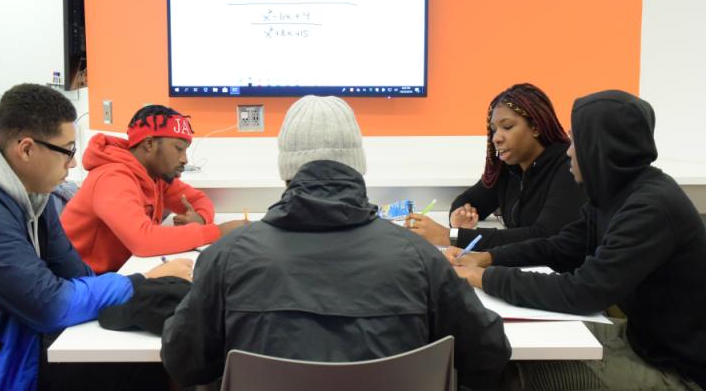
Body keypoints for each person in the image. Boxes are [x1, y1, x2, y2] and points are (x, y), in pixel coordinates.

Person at [161, 95, 511, 390]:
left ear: (286, 169)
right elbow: (488, 353)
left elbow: (184, 363)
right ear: (357, 166)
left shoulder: (227, 256)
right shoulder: (419, 257)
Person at [0, 84, 192, 390]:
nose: (72, 163)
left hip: (14, 340)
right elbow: (50, 305)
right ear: (27, 149)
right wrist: (141, 282)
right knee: (149, 370)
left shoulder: (31, 194)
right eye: (67, 151)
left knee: (158, 354)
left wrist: (142, 288)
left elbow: (75, 274)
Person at [447, 90, 706, 390]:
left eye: (577, 141)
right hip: (639, 339)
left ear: (601, 148)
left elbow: (584, 291)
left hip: (678, 371)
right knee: (494, 351)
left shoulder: (650, 208)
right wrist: (488, 258)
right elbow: (557, 246)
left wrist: (486, 277)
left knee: (510, 376)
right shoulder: (614, 194)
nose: (569, 151)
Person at [61, 105, 247, 274]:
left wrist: (201, 218)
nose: (185, 159)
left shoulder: (156, 175)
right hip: (82, 284)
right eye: (178, 148)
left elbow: (198, 199)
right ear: (149, 144)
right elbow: (143, 240)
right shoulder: (112, 178)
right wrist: (218, 232)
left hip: (117, 273)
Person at [407, 83, 586, 249]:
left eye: (507, 127)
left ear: (536, 127)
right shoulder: (508, 169)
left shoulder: (569, 168)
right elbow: (468, 200)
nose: (496, 138)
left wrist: (451, 236)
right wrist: (459, 216)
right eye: (493, 129)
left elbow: (545, 236)